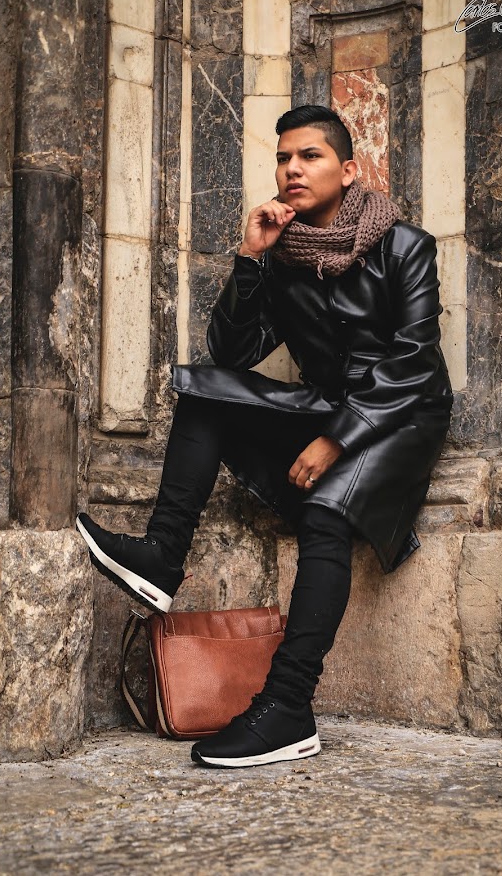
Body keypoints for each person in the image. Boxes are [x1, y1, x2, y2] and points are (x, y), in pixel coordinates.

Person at [76, 105, 454, 769]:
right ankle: (162, 557)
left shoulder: (405, 246)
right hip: (329, 407)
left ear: (348, 169)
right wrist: (250, 258)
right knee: (204, 392)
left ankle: (287, 708)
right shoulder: (284, 256)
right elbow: (232, 354)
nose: (292, 169)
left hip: (403, 414)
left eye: (309, 156)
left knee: (327, 512)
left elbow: (415, 361)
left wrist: (335, 440)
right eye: (283, 158)